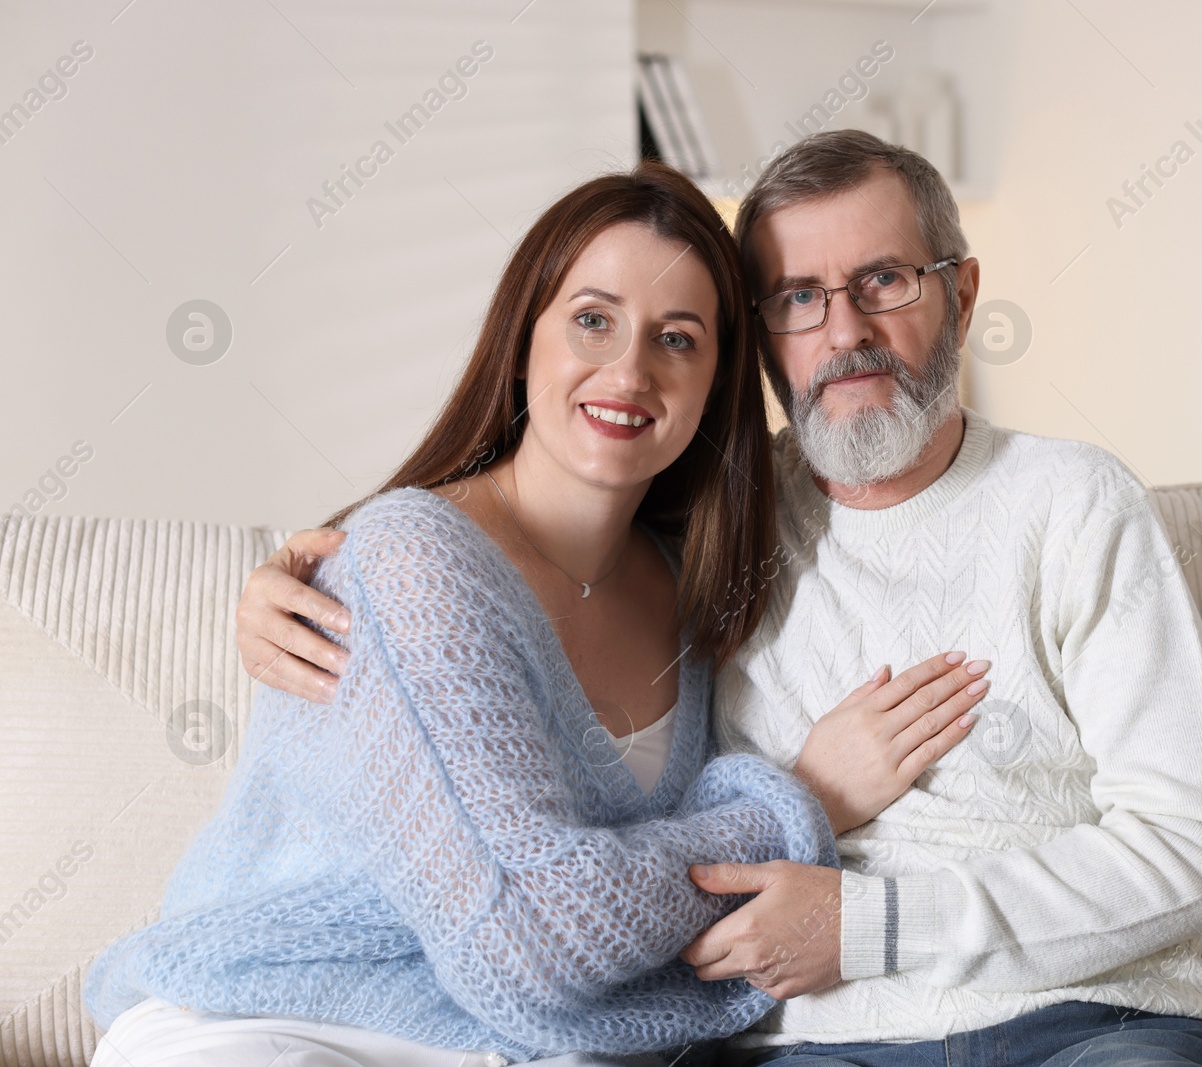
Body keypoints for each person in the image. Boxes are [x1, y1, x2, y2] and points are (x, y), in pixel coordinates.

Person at [239, 132, 1202, 1067]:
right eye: (797, 296)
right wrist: (296, 575)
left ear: (961, 290)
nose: (845, 329)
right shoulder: (714, 529)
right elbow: (493, 558)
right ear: (761, 338)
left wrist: (873, 922)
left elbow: (1198, 845)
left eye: (884, 280)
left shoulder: (1072, 501)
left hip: (1101, 1019)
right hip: (821, 1042)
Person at [83, 162, 992, 1067]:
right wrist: (808, 799)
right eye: (592, 320)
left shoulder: (705, 583)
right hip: (275, 1015)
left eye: (677, 338)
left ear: (719, 379)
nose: (629, 370)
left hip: (536, 1042)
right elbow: (529, 932)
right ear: (526, 337)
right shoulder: (412, 557)